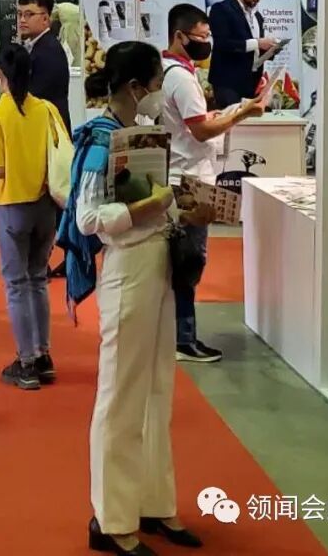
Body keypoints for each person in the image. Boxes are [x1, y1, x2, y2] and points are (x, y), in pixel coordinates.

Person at [66, 41, 210, 556]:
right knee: (121, 395)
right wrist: (150, 205)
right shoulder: (102, 140)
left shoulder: (144, 133)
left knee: (156, 389)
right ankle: (112, 518)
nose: (156, 93)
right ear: (133, 87)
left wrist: (183, 206)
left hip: (159, 263)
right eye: (153, 84)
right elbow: (88, 217)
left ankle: (152, 501)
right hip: (128, 269)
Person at [162, 3, 268, 364]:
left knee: (181, 262)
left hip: (180, 173)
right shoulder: (180, 78)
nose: (207, 43)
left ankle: (178, 334)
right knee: (189, 262)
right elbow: (201, 130)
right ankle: (183, 338)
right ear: (180, 36)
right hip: (189, 180)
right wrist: (241, 113)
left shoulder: (170, 72)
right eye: (202, 36)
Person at [0, 44, 65, 391]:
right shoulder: (46, 109)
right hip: (45, 204)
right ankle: (43, 355)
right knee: (37, 279)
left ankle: (26, 360)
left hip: (12, 204)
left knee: (16, 284)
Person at [208, 0, 283, 108]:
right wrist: (258, 43)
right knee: (231, 120)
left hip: (251, 82)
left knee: (248, 121)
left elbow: (255, 51)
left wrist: (271, 50)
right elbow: (222, 44)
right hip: (227, 82)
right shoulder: (221, 9)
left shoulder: (258, 16)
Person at [16, 0, 72, 136]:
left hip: (50, 131)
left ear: (45, 19)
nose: (22, 20)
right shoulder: (37, 45)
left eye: (29, 14)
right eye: (20, 14)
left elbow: (37, 96)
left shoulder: (49, 50)